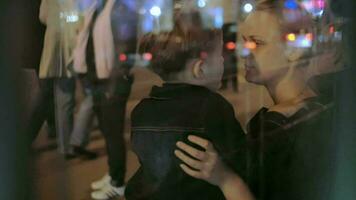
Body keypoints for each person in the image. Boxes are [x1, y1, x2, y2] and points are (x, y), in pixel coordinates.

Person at [175, 0, 339, 200]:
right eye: (244, 41)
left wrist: (225, 178)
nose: (244, 52)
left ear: (295, 49)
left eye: (257, 42)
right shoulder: (323, 106)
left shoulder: (275, 129)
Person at [124, 14, 249, 199]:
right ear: (200, 69)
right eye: (219, 54)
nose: (224, 60)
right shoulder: (212, 107)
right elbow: (242, 162)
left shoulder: (141, 112)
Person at [72, 0, 137, 199]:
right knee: (107, 131)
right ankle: (112, 174)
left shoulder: (121, 7)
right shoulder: (99, 7)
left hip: (112, 81)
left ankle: (118, 183)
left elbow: (125, 47)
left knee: (113, 133)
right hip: (98, 79)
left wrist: (116, 82)